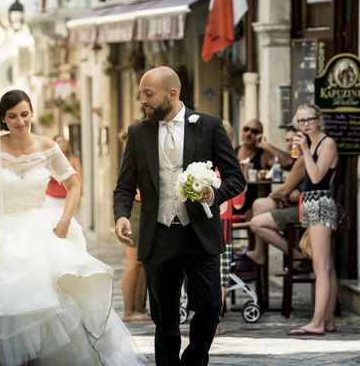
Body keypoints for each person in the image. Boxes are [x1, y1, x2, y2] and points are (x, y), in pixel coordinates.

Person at [0, 89, 144, 365]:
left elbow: (74, 186)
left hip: (40, 227)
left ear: (32, 113)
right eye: (12, 116)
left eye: (24, 114)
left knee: (48, 295)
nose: (20, 121)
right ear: (3, 119)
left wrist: (64, 221)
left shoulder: (47, 146)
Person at [113, 67, 246, 366]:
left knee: (211, 306)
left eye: (148, 94)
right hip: (159, 235)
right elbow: (124, 186)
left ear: (172, 93)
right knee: (165, 319)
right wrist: (121, 215)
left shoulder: (209, 126)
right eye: (141, 94)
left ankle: (195, 360)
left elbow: (236, 178)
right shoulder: (137, 132)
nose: (142, 100)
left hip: (199, 234)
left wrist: (214, 194)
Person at [287, 104, 339, 336]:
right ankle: (327, 320)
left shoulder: (326, 143)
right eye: (301, 121)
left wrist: (306, 149)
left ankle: (317, 323)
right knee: (327, 266)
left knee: (321, 268)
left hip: (321, 203)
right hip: (310, 203)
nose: (305, 124)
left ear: (319, 120)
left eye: (309, 119)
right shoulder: (309, 143)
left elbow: (317, 176)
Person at [245, 126, 307, 265]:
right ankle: (259, 252)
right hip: (295, 202)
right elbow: (290, 185)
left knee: (258, 212)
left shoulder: (302, 158)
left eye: (294, 139)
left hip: (305, 207)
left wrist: (266, 146)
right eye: (287, 140)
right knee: (260, 204)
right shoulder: (299, 158)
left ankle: (295, 255)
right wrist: (291, 190)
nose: (291, 143)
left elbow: (284, 189)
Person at [117, 125, 149, 322]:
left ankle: (138, 309)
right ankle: (128, 311)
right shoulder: (129, 158)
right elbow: (127, 188)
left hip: (142, 212)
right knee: (133, 264)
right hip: (134, 212)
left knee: (141, 264)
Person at [235, 119, 292, 213]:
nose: (249, 133)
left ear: (260, 135)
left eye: (254, 131)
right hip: (235, 204)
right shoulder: (233, 152)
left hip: (256, 207)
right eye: (246, 129)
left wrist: (266, 145)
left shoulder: (264, 155)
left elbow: (289, 162)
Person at [44, 134, 82, 208]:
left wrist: (78, 197)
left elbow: (79, 180)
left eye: (64, 141)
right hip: (51, 199)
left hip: (68, 199)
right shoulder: (49, 161)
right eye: (59, 142)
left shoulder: (74, 160)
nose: (62, 144)